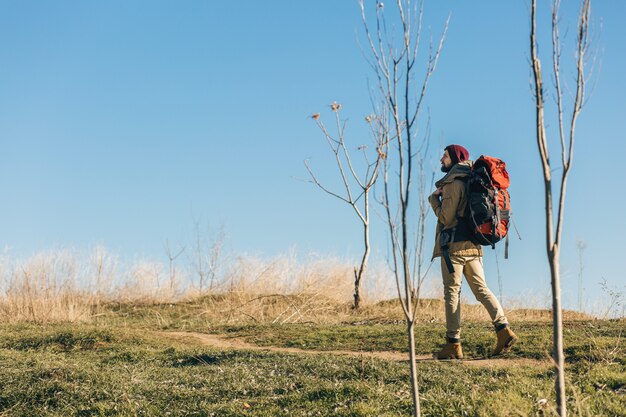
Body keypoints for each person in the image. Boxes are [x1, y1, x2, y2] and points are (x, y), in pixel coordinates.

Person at [429, 144, 518, 359]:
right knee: (482, 290)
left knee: (452, 294)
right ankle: (503, 329)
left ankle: (453, 344)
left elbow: (445, 218)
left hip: (453, 248)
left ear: (454, 158)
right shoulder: (472, 179)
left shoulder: (453, 182)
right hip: (474, 246)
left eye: (445, 156)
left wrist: (434, 199)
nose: (441, 160)